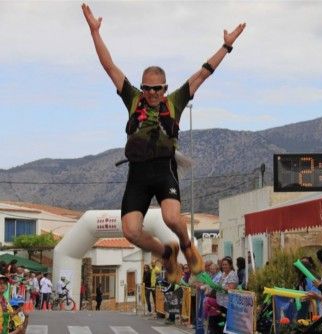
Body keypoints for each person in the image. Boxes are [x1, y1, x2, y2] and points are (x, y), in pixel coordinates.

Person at [81, 4, 246, 283]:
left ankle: (185, 242)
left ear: (165, 88)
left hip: (163, 168)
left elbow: (203, 73)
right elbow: (109, 66)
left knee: (171, 218)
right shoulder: (132, 98)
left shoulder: (175, 101)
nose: (152, 92)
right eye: (147, 87)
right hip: (138, 172)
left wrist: (226, 47)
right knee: (130, 231)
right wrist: (95, 32)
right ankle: (165, 253)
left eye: (157, 88)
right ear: (142, 88)